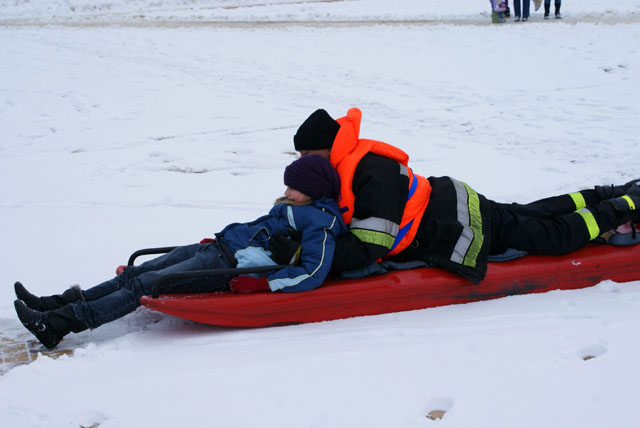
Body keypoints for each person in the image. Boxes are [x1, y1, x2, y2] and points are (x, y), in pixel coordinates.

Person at [272, 107, 640, 286]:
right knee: (530, 214)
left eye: (306, 156)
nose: (303, 164)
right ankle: (609, 193)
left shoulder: (368, 170)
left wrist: (312, 259)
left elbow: (372, 244)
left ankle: (627, 204)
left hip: (455, 223)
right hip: (451, 205)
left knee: (552, 237)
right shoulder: (349, 162)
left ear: (325, 148)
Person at [14, 155, 348, 349]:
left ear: (314, 190)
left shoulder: (321, 223)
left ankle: (59, 324)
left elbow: (312, 271)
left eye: (293, 187)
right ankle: (58, 304)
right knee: (135, 274)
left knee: (147, 285)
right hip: (217, 248)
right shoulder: (295, 206)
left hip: (228, 265)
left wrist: (265, 283)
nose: (286, 191)